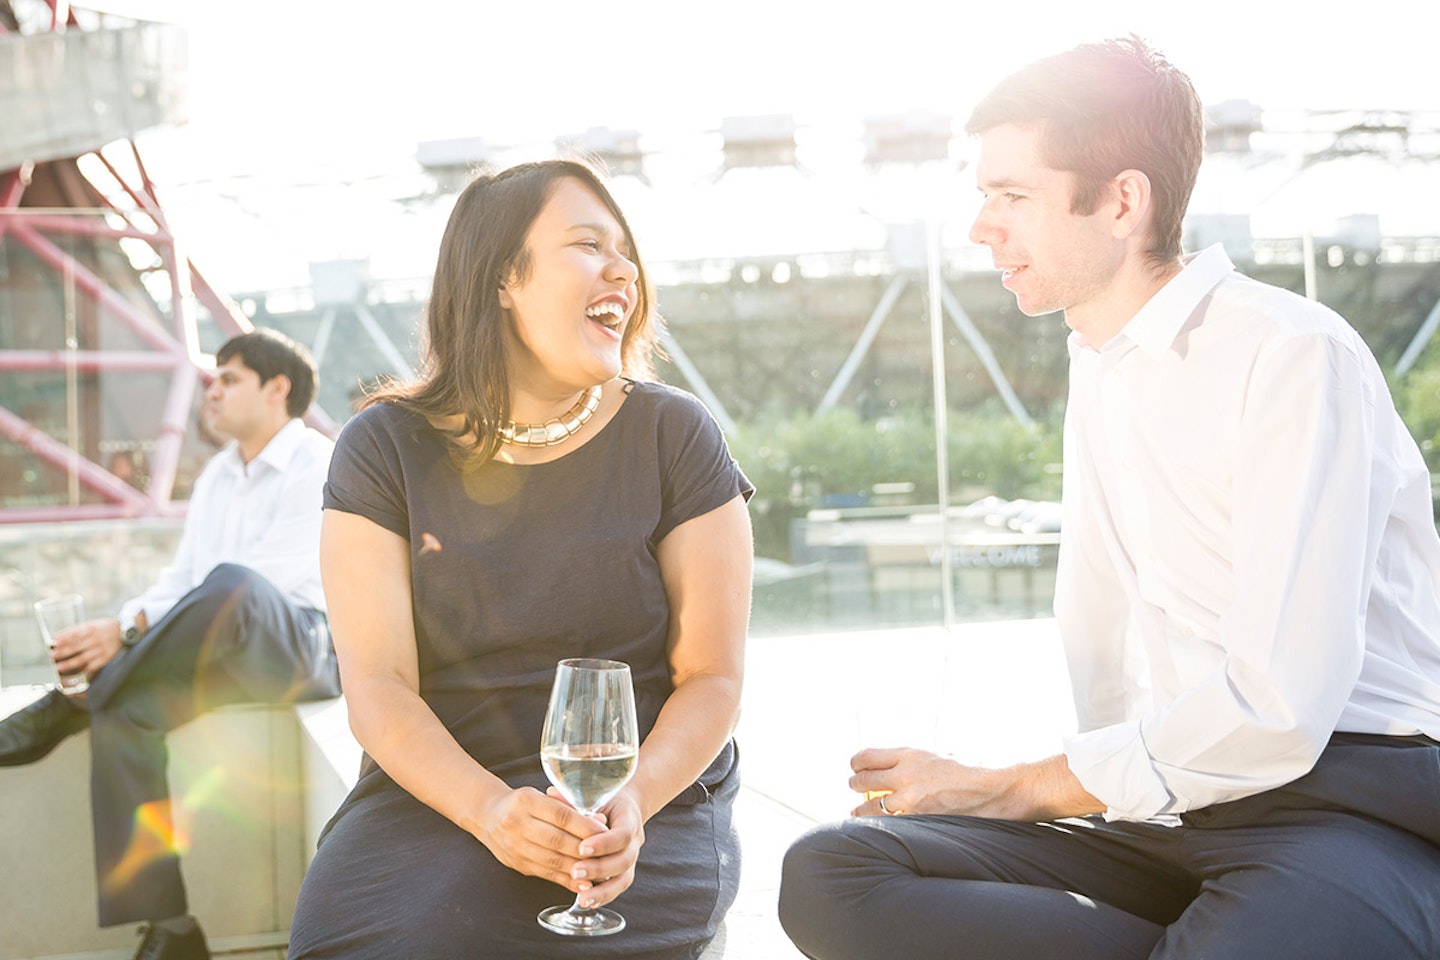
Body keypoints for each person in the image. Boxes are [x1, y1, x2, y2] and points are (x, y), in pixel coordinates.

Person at [778, 36, 1440, 960]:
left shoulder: (1291, 356)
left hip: (1340, 799)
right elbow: (1107, 634)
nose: (981, 227)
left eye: (1011, 196)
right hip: (1168, 809)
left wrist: (1011, 786)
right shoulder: (1100, 364)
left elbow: (1282, 709)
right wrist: (1086, 791)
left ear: (1123, 201)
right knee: (833, 873)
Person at [287, 159, 754, 960]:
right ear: (503, 275)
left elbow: (711, 678)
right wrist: (489, 809)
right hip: (436, 789)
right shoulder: (382, 448)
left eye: (626, 252)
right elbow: (377, 686)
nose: (623, 271)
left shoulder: (675, 435)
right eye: (586, 244)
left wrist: (632, 803)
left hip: (639, 798)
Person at [0, 328, 341, 960]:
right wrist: (119, 624)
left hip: (299, 647)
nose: (211, 391)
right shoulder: (218, 474)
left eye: (228, 378)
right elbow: (182, 580)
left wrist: (128, 632)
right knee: (127, 715)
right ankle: (172, 927)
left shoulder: (317, 462)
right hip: (217, 652)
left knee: (234, 582)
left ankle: (74, 701)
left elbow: (265, 583)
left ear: (277, 388)